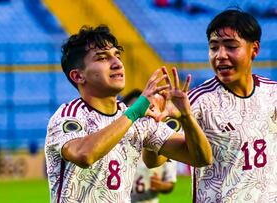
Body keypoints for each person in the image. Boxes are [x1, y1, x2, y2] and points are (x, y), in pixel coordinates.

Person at [45, 25, 212, 202]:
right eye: (102, 58)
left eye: (117, 55)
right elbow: (84, 155)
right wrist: (133, 114)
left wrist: (186, 117)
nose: (117, 63)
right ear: (78, 76)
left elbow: (201, 158)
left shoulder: (136, 117)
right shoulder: (68, 116)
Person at [189, 8, 277, 202]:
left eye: (230, 46)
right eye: (214, 47)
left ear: (254, 49)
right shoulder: (197, 101)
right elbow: (156, 159)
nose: (220, 55)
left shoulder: (272, 93)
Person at [123, 90, 177, 203]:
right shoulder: (117, 144)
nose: (138, 116)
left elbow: (170, 184)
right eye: (133, 110)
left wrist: (161, 185)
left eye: (142, 110)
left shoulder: (163, 145)